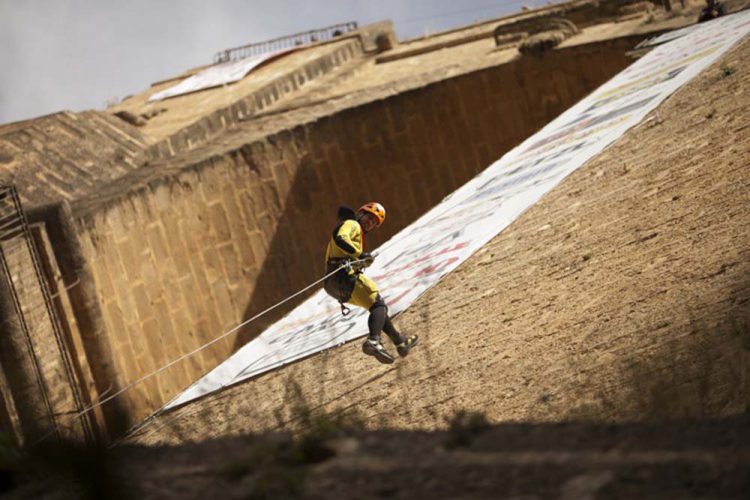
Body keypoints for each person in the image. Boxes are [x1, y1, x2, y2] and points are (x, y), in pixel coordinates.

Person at [323, 202, 419, 364]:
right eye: (369, 218)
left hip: (333, 284)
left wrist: (361, 261)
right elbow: (340, 238)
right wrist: (359, 255)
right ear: (360, 214)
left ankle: (399, 341)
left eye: (374, 223)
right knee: (379, 306)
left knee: (375, 306)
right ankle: (374, 341)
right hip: (344, 276)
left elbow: (344, 250)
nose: (370, 223)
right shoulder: (351, 223)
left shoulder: (356, 232)